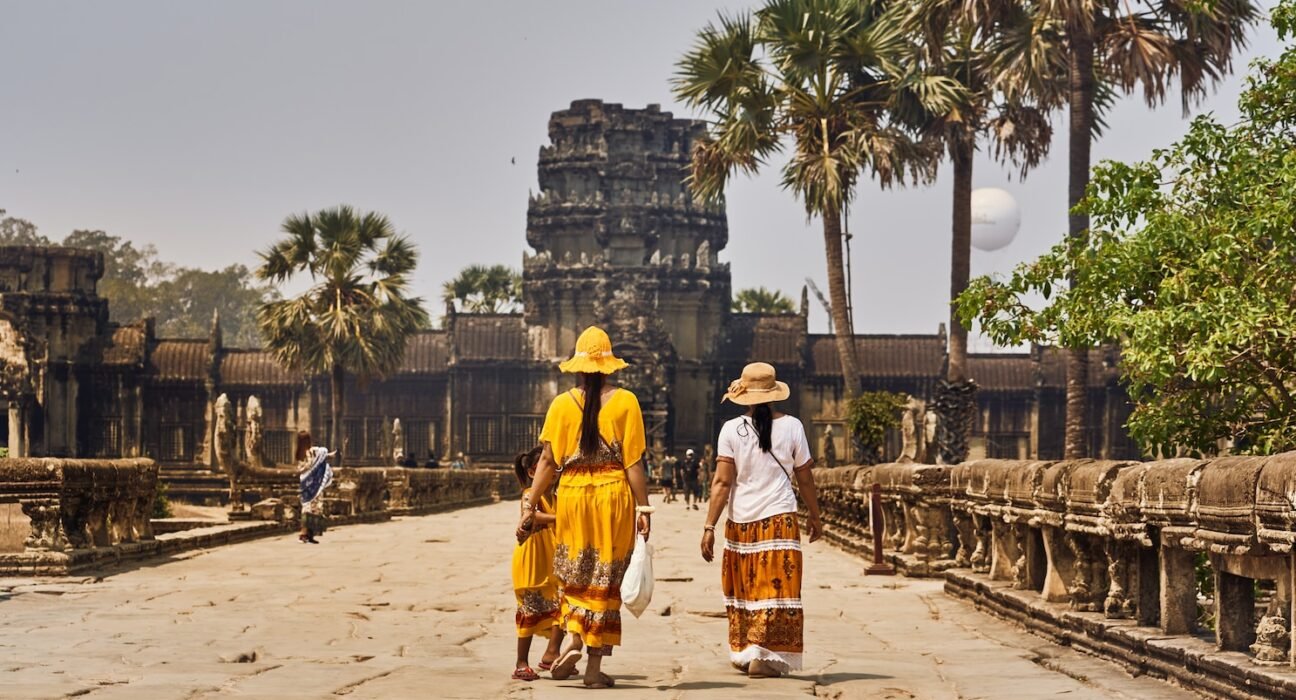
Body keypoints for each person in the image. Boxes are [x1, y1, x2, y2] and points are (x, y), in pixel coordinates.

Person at [522, 326, 651, 689]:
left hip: (574, 496)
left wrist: (529, 505)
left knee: (574, 571)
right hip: (613, 497)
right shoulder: (627, 401)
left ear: (578, 367)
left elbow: (547, 461)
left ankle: (575, 637)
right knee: (606, 578)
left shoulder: (561, 404)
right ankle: (593, 669)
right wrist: (645, 511)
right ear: (610, 366)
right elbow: (634, 464)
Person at [701, 362, 824, 679]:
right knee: (777, 589)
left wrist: (709, 526)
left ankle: (747, 650)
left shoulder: (731, 429)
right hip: (780, 518)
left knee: (747, 587)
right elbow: (805, 479)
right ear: (773, 394)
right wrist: (815, 515)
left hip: (741, 520)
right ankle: (764, 654)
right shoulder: (794, 426)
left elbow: (722, 483)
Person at [510, 445, 564, 682]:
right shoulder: (530, 494)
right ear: (533, 472)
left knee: (562, 609)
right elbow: (531, 515)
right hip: (532, 561)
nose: (556, 473)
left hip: (551, 560)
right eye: (551, 469)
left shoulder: (555, 497)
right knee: (530, 611)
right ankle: (521, 663)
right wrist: (560, 517)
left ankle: (551, 654)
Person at [295, 431, 335, 544]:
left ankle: (310, 534)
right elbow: (303, 467)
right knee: (308, 509)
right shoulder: (302, 454)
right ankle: (303, 533)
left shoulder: (310, 451)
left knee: (315, 509)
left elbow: (323, 455)